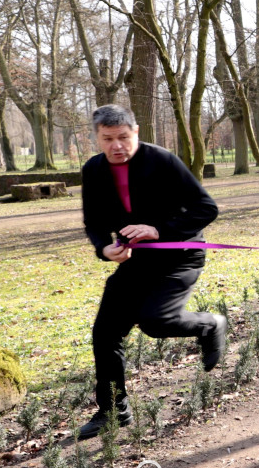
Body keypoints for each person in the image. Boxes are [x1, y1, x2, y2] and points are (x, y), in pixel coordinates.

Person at [78, 104, 226, 440]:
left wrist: (159, 229)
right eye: (108, 138)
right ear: (98, 138)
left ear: (136, 133)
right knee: (105, 332)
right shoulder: (93, 170)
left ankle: (210, 325)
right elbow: (94, 222)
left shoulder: (162, 160)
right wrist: (104, 247)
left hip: (180, 256)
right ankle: (114, 410)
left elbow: (207, 208)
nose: (117, 145)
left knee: (156, 322)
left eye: (123, 137)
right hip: (134, 261)